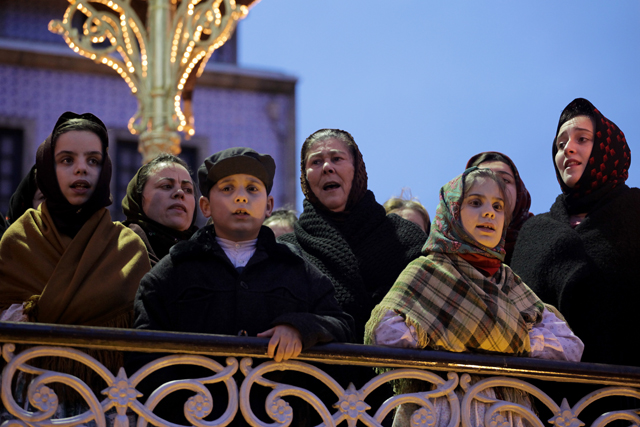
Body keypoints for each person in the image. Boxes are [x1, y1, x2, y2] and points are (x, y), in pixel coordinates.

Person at [132, 147, 354, 425]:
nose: (240, 197)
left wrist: (300, 327)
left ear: (269, 205)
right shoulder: (172, 271)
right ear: (206, 206)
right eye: (227, 188)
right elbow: (143, 351)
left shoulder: (296, 269)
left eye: (252, 188)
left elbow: (341, 324)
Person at [365, 168, 583, 427]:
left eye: (498, 206)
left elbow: (570, 348)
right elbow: (386, 334)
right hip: (438, 409)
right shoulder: (427, 271)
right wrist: (510, 335)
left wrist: (447, 330)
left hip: (505, 413)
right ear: (452, 211)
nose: (489, 212)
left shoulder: (509, 282)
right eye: (475, 202)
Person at [0, 112, 150, 415]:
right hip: (26, 402)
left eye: (93, 160)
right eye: (66, 160)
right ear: (46, 167)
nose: (81, 168)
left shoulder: (128, 247)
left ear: (105, 169)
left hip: (110, 401)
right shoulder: (18, 240)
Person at [511, 98, 639, 367]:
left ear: (607, 147)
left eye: (582, 139)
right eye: (560, 145)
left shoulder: (635, 212)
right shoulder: (535, 231)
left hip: (625, 398)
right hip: (545, 400)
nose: (568, 149)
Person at [278, 129, 427, 341]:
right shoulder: (287, 250)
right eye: (316, 162)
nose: (327, 168)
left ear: (357, 168)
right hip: (318, 372)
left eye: (337, 158)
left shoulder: (405, 237)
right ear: (305, 176)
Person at [122, 153, 198, 266]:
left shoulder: (211, 257)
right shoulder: (117, 248)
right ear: (138, 198)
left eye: (187, 189)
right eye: (166, 186)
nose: (180, 193)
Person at [466, 152, 533, 265]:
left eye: (505, 180)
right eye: (483, 178)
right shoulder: (444, 253)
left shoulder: (545, 236)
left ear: (519, 192)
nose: (495, 185)